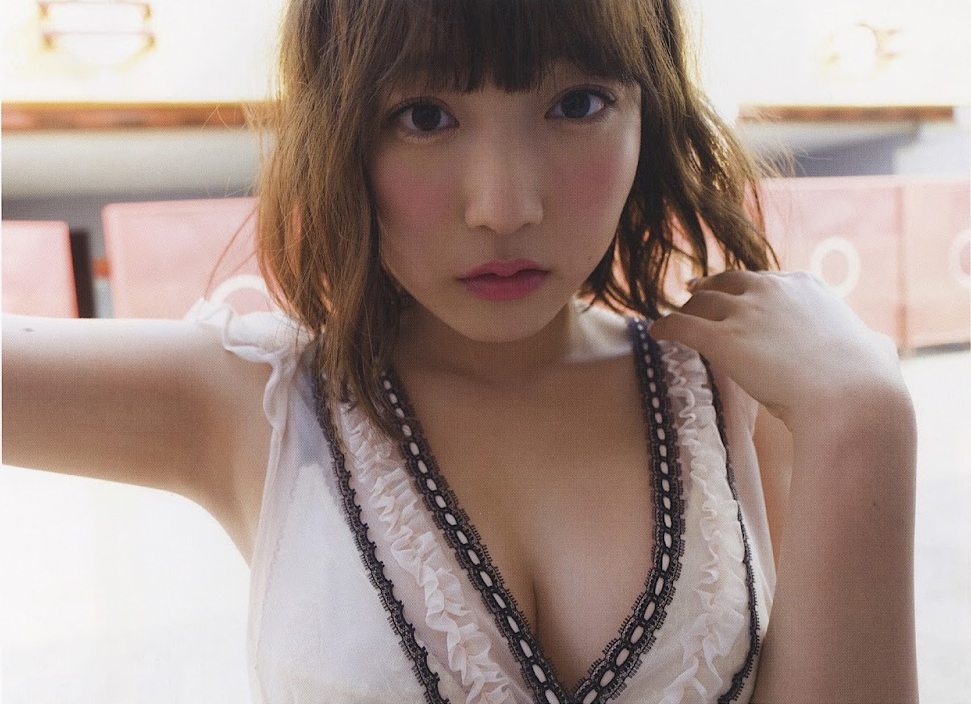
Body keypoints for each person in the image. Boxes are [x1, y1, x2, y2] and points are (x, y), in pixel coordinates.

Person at [2, 0, 919, 702]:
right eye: (424, 116)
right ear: (337, 132)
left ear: (652, 114)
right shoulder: (257, 401)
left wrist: (864, 418)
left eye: (577, 103)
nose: (504, 205)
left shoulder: (742, 397)